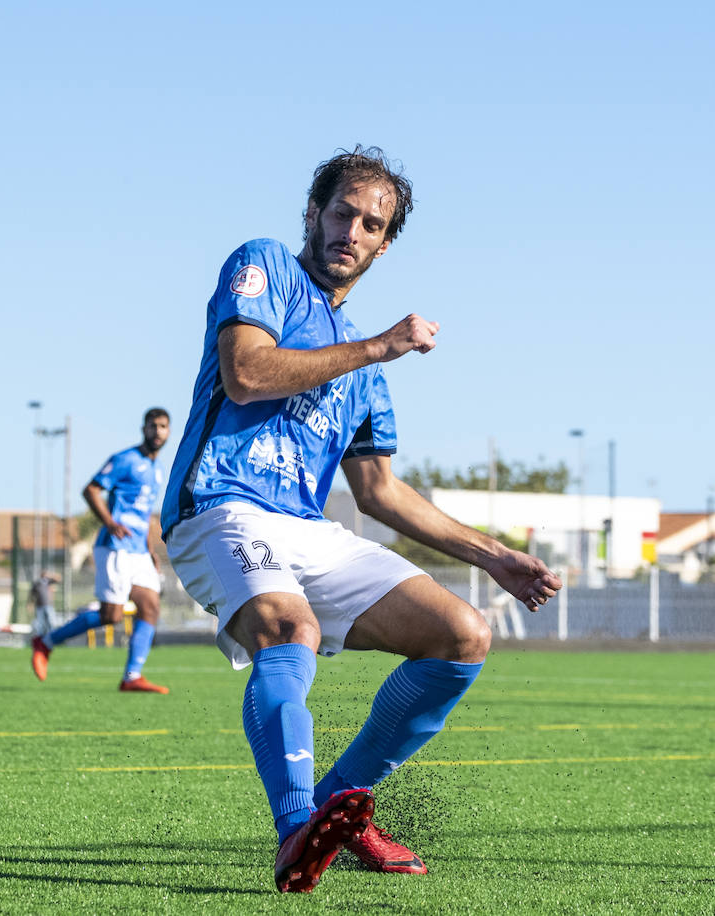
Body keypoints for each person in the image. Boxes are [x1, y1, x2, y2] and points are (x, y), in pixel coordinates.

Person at [159, 147, 561, 893]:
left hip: (305, 526)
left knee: (462, 634)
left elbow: (379, 492)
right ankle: (296, 830)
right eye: (342, 213)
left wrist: (492, 555)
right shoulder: (266, 267)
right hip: (220, 504)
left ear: (384, 245)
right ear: (313, 213)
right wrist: (379, 345)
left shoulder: (367, 374)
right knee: (291, 628)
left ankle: (338, 808)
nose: (352, 231)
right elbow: (246, 374)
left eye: (371, 225)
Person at [32, 408, 171, 693]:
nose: (157, 431)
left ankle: (132, 676)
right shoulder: (125, 459)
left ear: (168, 431)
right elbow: (91, 489)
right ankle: (45, 642)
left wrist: (150, 550)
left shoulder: (158, 469)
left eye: (163, 426)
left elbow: (144, 515)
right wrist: (109, 522)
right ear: (143, 428)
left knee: (150, 607)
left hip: (139, 551)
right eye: (153, 426)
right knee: (111, 616)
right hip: (115, 547)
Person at [28, 570, 59, 636]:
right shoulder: (37, 583)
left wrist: (50, 575)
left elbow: (58, 578)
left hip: (49, 605)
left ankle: (52, 635)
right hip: (39, 606)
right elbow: (32, 595)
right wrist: (30, 604)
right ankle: (40, 637)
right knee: (40, 623)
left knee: (51, 622)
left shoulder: (49, 582)